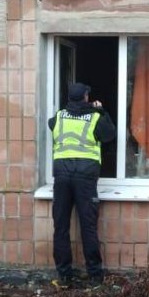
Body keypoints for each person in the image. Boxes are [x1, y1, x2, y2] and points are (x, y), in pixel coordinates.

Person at [48, 82, 116, 286]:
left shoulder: (59, 117)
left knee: (61, 226)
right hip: (85, 177)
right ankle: (94, 275)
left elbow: (52, 125)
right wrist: (101, 110)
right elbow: (110, 135)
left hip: (62, 177)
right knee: (88, 226)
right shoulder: (95, 117)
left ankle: (64, 274)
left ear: (69, 98)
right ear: (86, 97)